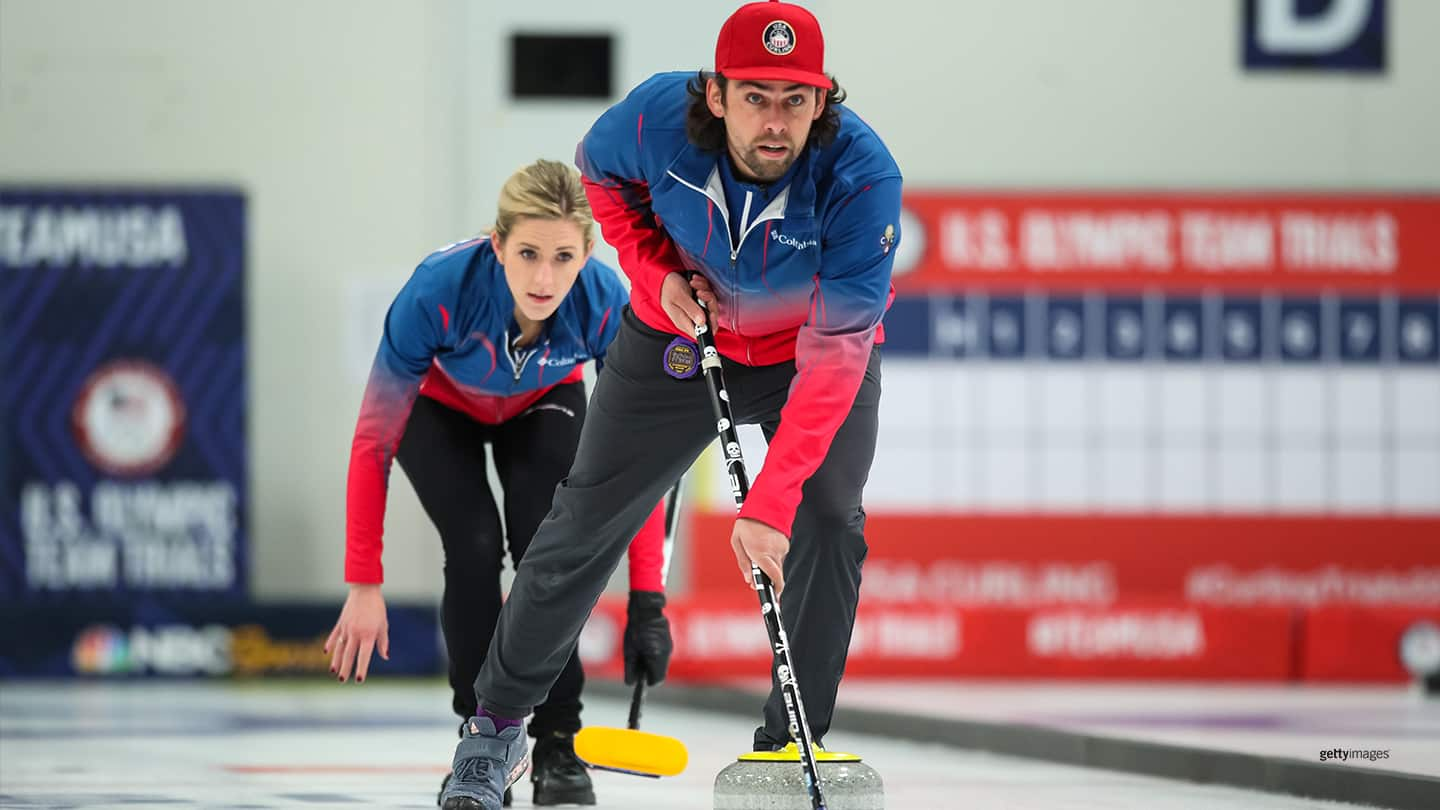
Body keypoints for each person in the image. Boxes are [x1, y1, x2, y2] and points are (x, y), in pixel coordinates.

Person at [439, 2, 902, 807]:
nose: (776, 121)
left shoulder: (862, 177)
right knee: (582, 524)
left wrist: (770, 502)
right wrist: (655, 274)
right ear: (715, 94)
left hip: (807, 357)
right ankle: (494, 730)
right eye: (755, 96)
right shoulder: (654, 121)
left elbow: (838, 354)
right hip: (676, 345)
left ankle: (791, 742)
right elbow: (598, 179)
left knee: (828, 517)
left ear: (824, 101)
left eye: (797, 100)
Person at [326, 159, 676, 808]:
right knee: (475, 544)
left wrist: (648, 600)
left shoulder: (605, 305)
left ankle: (557, 741)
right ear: (498, 245)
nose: (544, 278)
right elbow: (374, 438)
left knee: (551, 555)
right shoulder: (437, 290)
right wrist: (363, 582)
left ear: (587, 255)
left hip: (543, 402)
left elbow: (636, 459)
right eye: (528, 254)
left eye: (563, 257)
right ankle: (482, 739)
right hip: (441, 409)